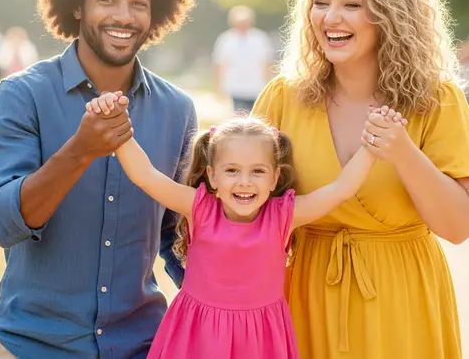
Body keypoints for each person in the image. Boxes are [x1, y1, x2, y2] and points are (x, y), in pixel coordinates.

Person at [0, 0, 196, 359]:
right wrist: (80, 150)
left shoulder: (177, 110)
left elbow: (177, 238)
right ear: (77, 4)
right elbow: (2, 224)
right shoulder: (22, 95)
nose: (124, 16)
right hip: (32, 347)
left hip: (142, 347)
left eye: (139, 3)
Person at [253, 0, 469, 358]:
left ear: (391, 12)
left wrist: (404, 154)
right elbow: (242, 212)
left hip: (403, 302)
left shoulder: (437, 99)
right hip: (304, 297)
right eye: (321, 2)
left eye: (352, 4)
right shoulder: (283, 97)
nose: (331, 18)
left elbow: (458, 227)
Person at [86, 92, 405, 359]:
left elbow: (340, 190)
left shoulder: (282, 216)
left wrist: (372, 142)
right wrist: (117, 128)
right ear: (212, 176)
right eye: (232, 171)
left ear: (275, 177)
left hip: (260, 340)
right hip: (198, 336)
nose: (244, 182)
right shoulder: (200, 208)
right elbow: (146, 176)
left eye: (257, 172)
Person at [212, 5, 275, 113]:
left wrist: (270, 84)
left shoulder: (260, 39)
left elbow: (267, 63)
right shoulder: (226, 40)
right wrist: (218, 87)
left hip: (256, 87)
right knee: (240, 120)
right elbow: (220, 65)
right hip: (236, 88)